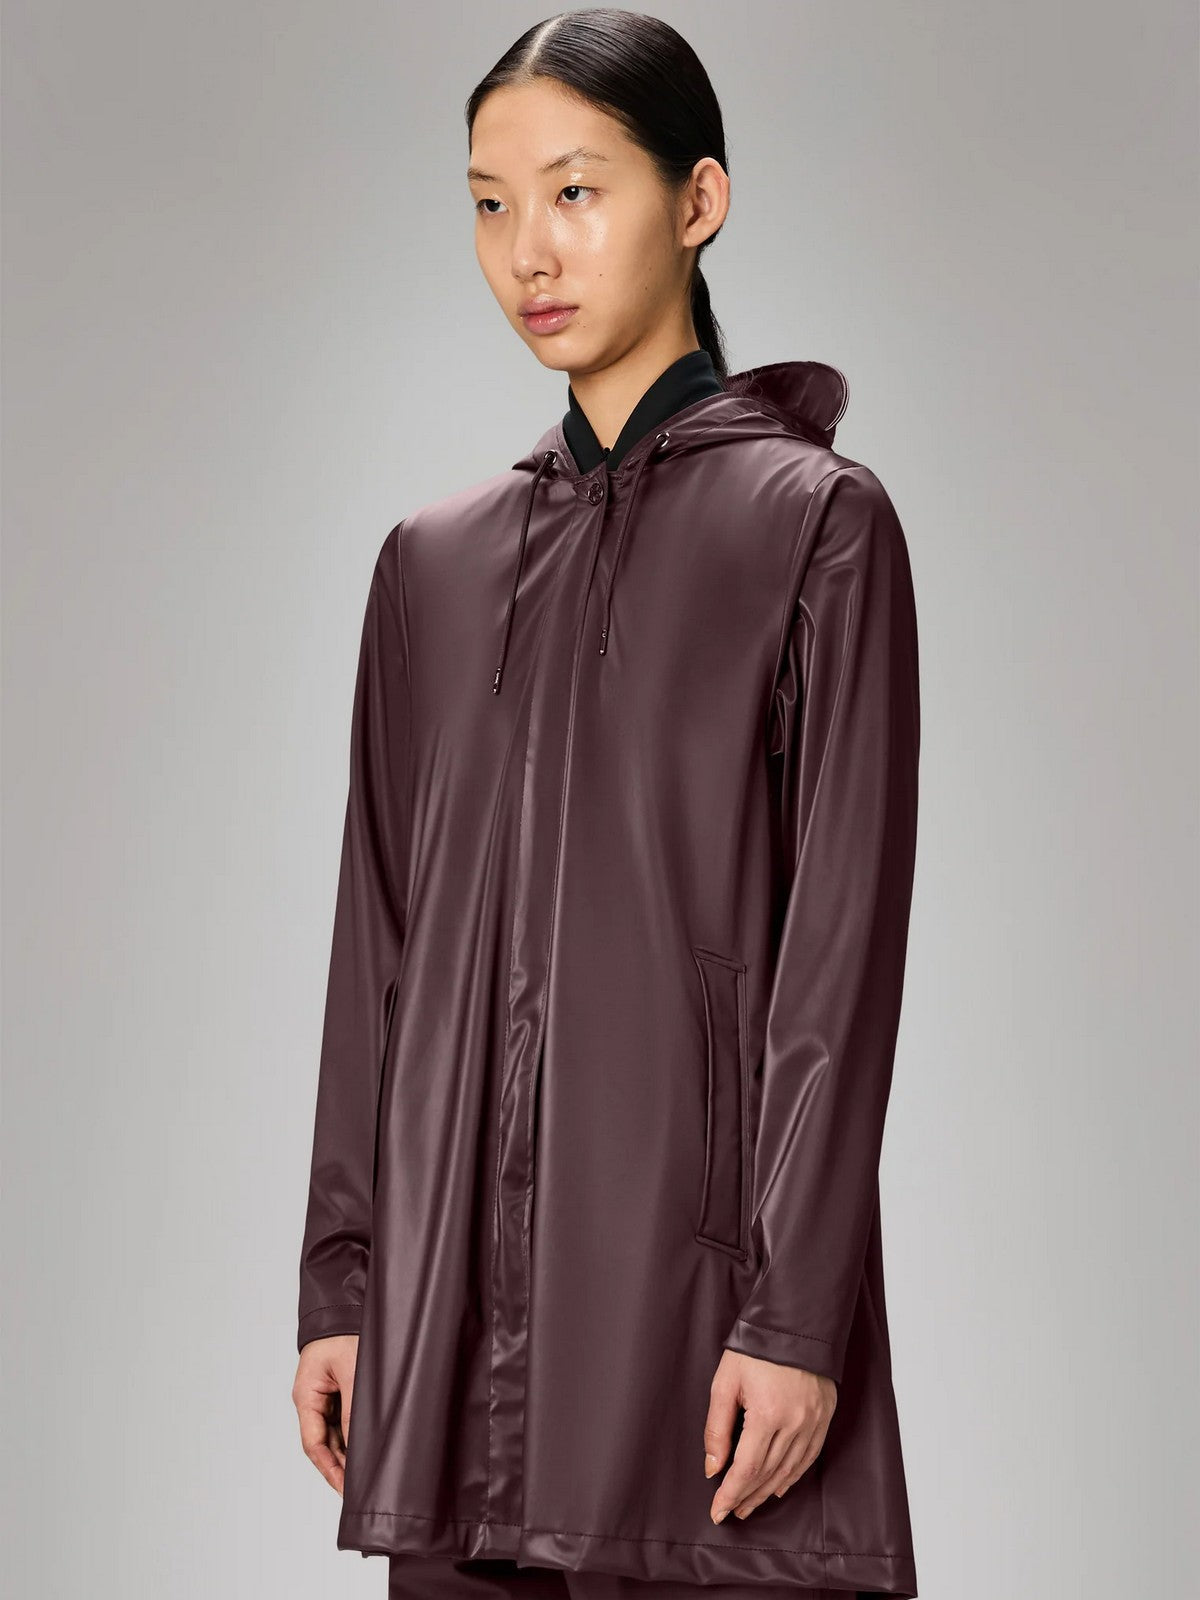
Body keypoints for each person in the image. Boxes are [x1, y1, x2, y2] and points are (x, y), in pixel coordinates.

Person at [291, 11, 921, 1600]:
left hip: (695, 1335)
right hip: (447, 1339)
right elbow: (377, 950)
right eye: (490, 204)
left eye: (576, 191)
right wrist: (346, 1284)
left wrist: (794, 1318)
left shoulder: (816, 526)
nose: (529, 251)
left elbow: (838, 962)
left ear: (698, 201)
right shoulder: (432, 566)